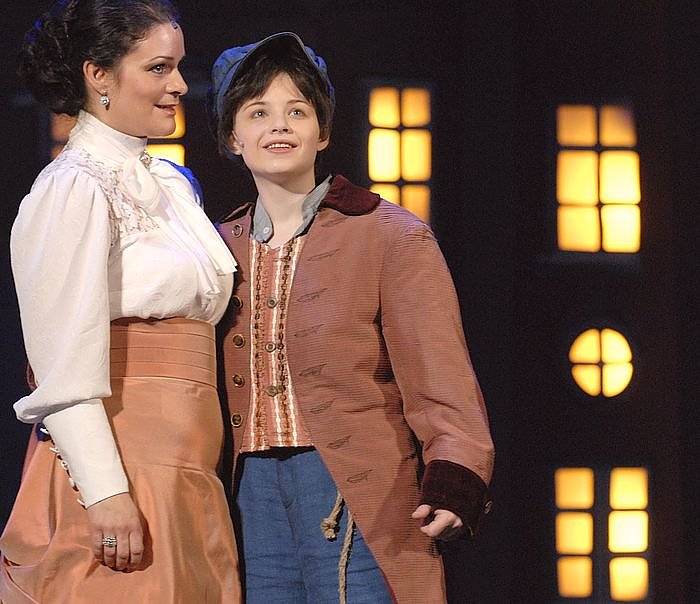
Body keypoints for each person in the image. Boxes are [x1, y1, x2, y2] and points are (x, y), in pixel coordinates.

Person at [208, 32, 495, 603]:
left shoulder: (388, 235)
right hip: (248, 492)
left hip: (355, 482)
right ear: (233, 137)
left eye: (297, 111)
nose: (279, 125)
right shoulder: (214, 248)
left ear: (323, 131)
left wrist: (455, 472)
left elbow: (439, 374)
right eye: (258, 112)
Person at [0, 1, 242, 602]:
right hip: (123, 462)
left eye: (178, 66)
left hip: (190, 462)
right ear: (98, 75)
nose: (179, 85)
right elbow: (61, 361)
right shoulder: (72, 187)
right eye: (158, 68)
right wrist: (106, 492)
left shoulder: (172, 184)